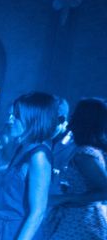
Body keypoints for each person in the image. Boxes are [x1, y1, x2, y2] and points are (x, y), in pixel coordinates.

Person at [0, 91, 58, 240]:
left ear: (33, 120)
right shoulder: (23, 148)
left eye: (16, 116)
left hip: (16, 233)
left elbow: (37, 212)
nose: (9, 120)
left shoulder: (39, 156)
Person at [43, 97, 107, 239]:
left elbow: (105, 191)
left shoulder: (84, 154)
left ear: (84, 121)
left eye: (75, 116)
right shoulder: (87, 151)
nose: (70, 123)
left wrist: (62, 198)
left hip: (81, 222)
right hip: (77, 220)